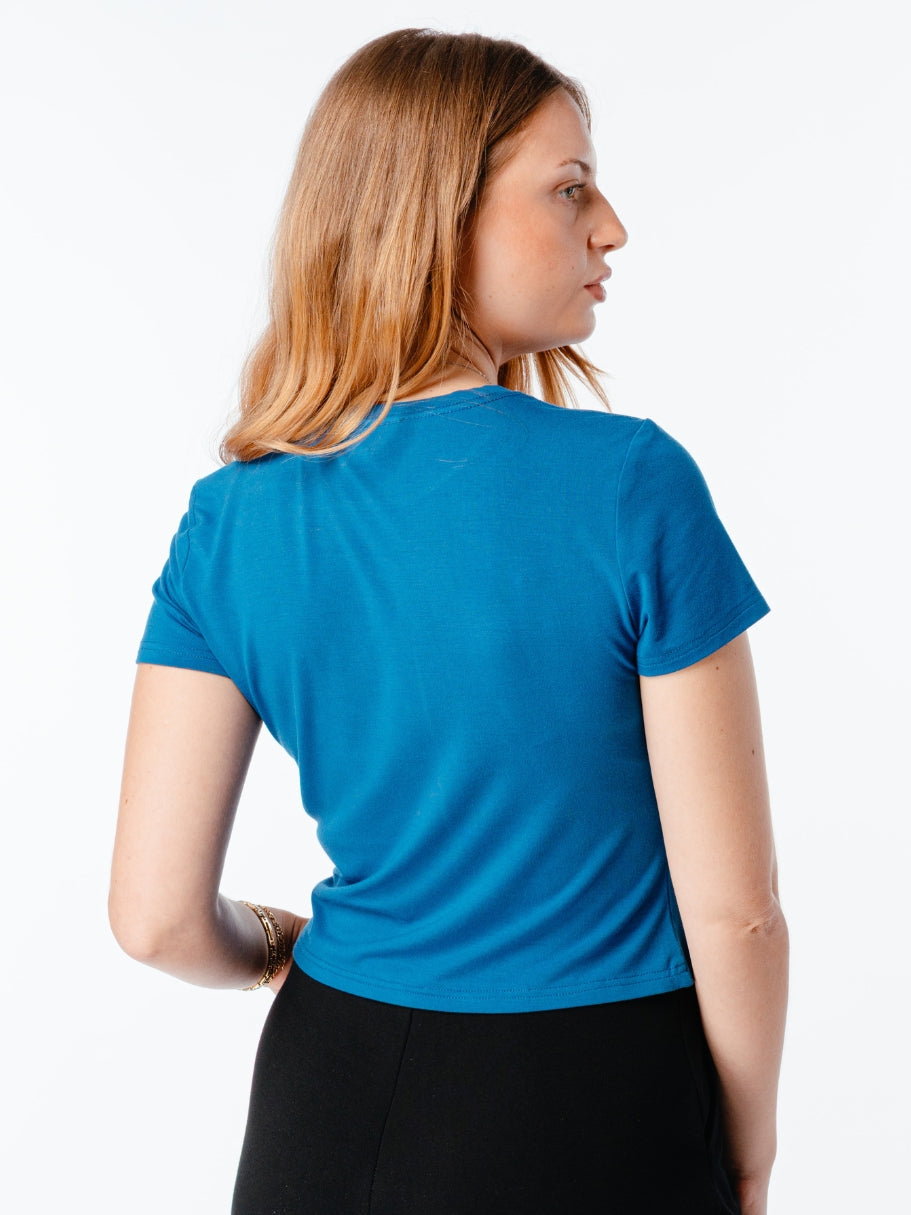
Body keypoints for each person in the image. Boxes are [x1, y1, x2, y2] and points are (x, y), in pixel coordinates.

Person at [109, 27, 788, 1215]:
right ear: (438, 215)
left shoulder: (230, 520)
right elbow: (734, 915)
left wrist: (277, 948)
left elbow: (155, 917)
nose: (610, 228)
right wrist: (747, 1144)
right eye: (569, 188)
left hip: (332, 1097)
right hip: (602, 1096)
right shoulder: (630, 486)